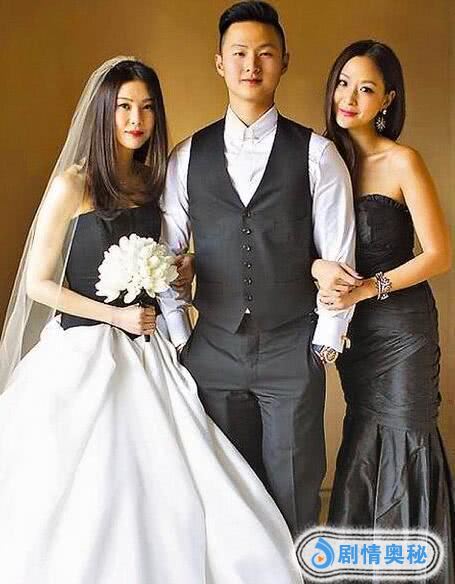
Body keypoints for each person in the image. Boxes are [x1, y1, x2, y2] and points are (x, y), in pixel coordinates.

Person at [0, 56, 304, 584]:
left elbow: (165, 260)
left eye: (146, 108)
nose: (136, 119)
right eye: (123, 107)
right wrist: (114, 315)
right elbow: (38, 284)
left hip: (146, 346)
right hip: (84, 348)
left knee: (182, 470)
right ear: (104, 112)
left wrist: (179, 271)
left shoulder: (149, 181)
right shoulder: (73, 184)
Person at [162, 0, 356, 536]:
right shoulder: (186, 156)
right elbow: (166, 257)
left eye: (265, 53)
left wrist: (324, 344)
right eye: (240, 53)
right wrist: (181, 338)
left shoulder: (318, 155)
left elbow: (339, 259)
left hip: (291, 347)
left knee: (294, 492)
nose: (252, 64)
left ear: (284, 61)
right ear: (219, 62)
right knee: (226, 495)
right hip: (211, 349)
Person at [312, 40, 454, 580]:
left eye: (366, 88)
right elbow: (300, 247)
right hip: (355, 332)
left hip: (402, 328)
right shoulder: (318, 160)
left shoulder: (401, 160)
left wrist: (368, 288)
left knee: (404, 437)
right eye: (343, 83)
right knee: (363, 435)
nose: (349, 97)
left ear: (387, 100)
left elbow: (439, 254)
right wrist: (320, 272)